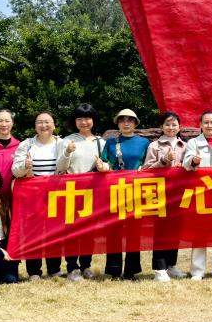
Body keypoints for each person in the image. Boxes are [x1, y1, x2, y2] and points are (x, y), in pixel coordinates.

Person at [11, 111, 66, 280]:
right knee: (32, 233)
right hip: (32, 196)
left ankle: (54, 268)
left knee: (54, 232)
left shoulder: (62, 144)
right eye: (39, 122)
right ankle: (34, 271)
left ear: (54, 125)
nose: (44, 125)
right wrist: (25, 166)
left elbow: (67, 166)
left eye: (47, 122)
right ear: (35, 126)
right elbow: (15, 171)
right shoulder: (26, 144)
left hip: (56, 195)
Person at [99, 108, 150, 280]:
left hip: (136, 191)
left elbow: (148, 164)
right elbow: (104, 162)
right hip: (114, 191)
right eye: (122, 120)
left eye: (130, 120)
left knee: (134, 232)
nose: (126, 123)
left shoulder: (144, 143)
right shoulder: (110, 143)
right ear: (118, 123)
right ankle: (114, 271)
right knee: (113, 232)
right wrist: (102, 166)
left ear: (135, 123)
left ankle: (131, 271)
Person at [56, 103, 105, 281]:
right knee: (70, 231)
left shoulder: (101, 142)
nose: (84, 122)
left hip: (93, 192)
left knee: (89, 231)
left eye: (87, 118)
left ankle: (86, 265)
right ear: (74, 121)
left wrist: (103, 166)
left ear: (94, 120)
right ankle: (72, 267)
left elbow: (107, 166)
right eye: (80, 118)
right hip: (71, 191)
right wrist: (67, 152)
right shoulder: (67, 141)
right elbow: (60, 167)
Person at [182, 110, 212, 280]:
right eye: (206, 122)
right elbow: (186, 164)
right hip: (200, 193)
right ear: (200, 125)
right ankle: (197, 270)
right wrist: (193, 161)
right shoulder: (193, 143)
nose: (209, 126)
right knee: (199, 233)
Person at [142, 111, 187, 282]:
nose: (171, 127)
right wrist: (163, 160)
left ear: (179, 127)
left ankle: (171, 265)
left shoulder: (185, 145)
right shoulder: (154, 146)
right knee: (161, 231)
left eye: (174, 124)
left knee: (175, 230)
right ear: (161, 127)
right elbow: (146, 170)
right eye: (167, 124)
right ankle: (159, 269)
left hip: (179, 193)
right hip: (160, 194)